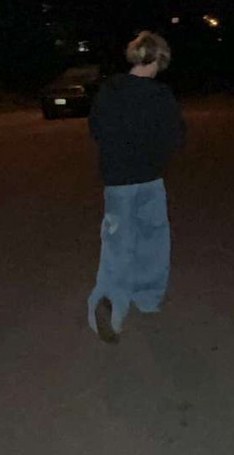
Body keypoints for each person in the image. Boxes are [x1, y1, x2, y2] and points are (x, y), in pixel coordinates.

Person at [87, 31, 185, 344]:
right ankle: (148, 297)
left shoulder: (108, 90)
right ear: (157, 59)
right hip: (150, 180)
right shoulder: (160, 95)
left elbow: (95, 129)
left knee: (117, 244)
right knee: (153, 240)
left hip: (117, 183)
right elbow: (176, 136)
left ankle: (111, 303)